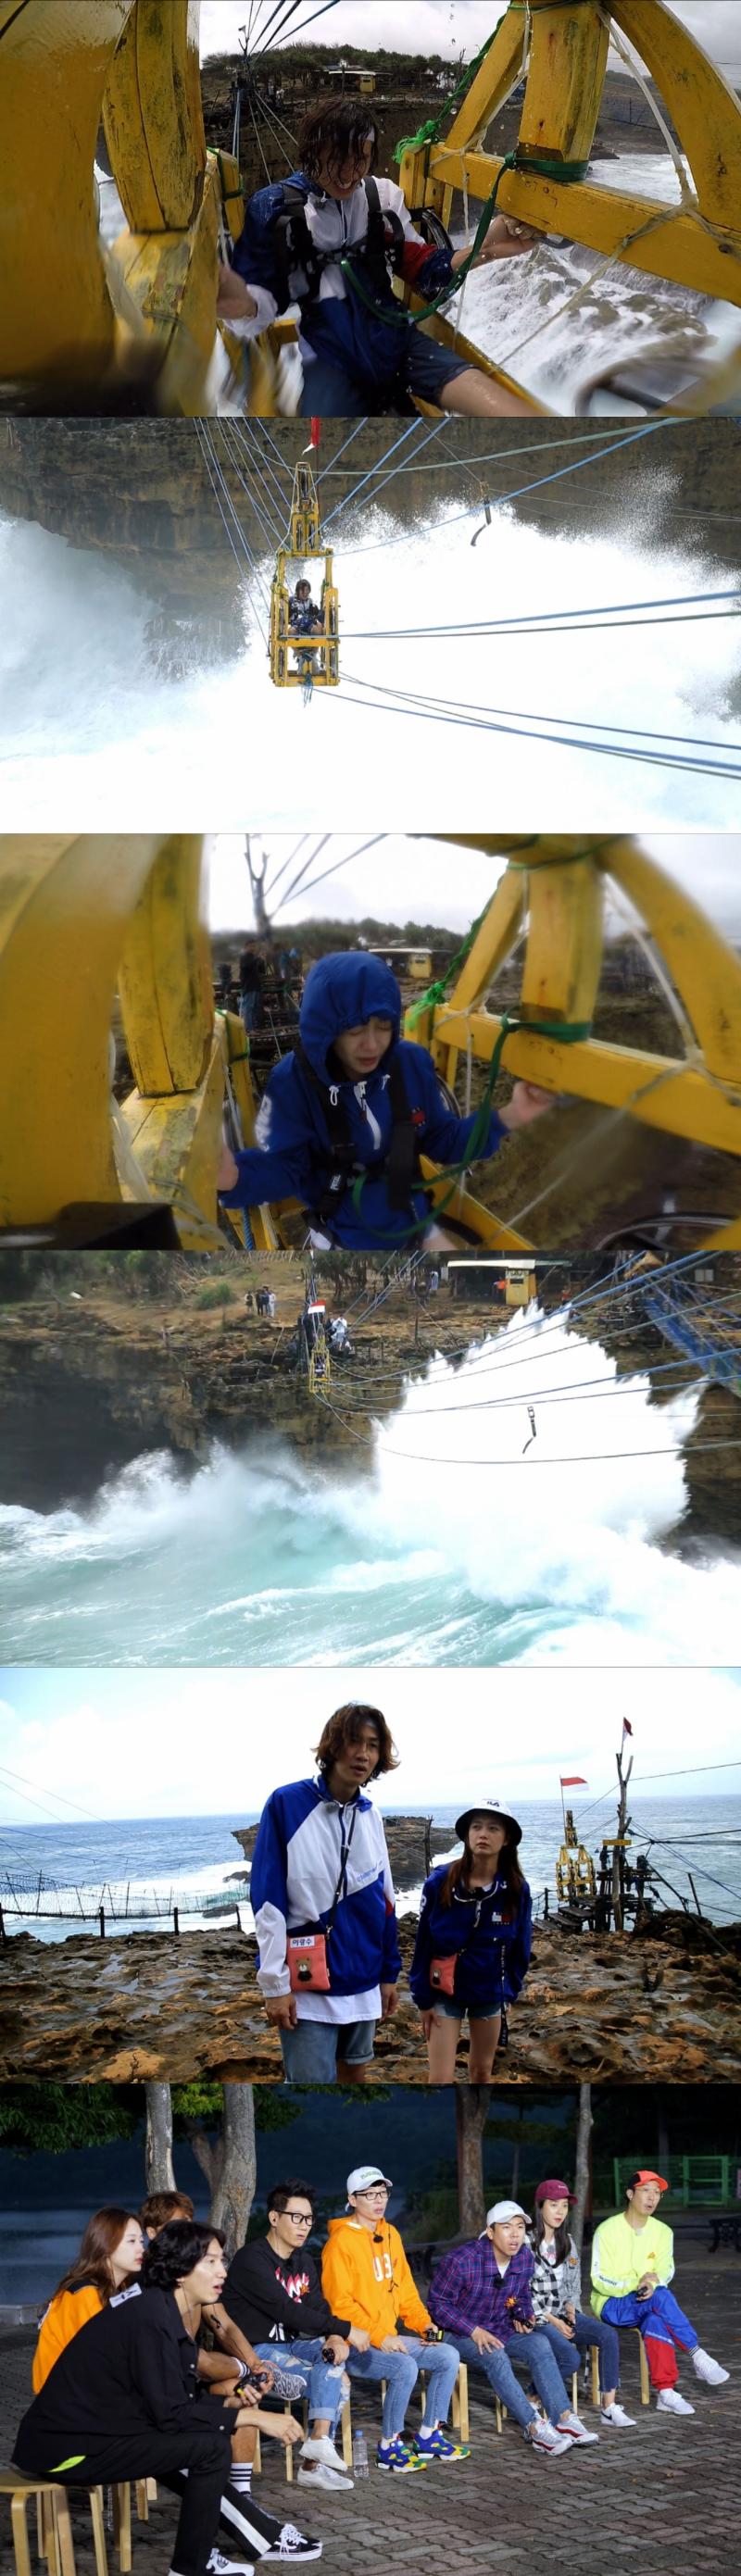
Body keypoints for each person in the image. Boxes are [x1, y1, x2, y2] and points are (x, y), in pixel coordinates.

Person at [14, 2220, 322, 2572]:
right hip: (68, 2449)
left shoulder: (157, 2308)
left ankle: (226, 2548)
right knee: (208, 2447)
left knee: (205, 2439)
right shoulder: (150, 2317)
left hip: (101, 2432)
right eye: (211, 2262)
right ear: (179, 2273)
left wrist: (233, 2404)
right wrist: (255, 2416)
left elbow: (174, 2400)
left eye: (221, 2261)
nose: (222, 2271)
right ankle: (195, 2565)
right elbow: (171, 2414)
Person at [216, 97, 538, 418]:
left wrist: (484, 248)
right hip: (332, 361)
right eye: (335, 158)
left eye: (360, 159)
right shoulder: (276, 209)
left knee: (514, 414)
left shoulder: (377, 198)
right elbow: (265, 298)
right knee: (325, 461)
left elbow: (420, 265)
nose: (347, 172)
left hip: (400, 344)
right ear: (311, 152)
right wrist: (243, 304)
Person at [217, 951, 554, 1252]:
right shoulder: (293, 1083)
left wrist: (511, 1115)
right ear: (327, 1031)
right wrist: (236, 1177)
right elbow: (285, 1168)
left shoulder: (410, 1063)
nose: (371, 1045)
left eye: (383, 1027)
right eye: (355, 1031)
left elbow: (442, 1139)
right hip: (345, 1237)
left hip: (416, 1221)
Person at [250, 1700, 402, 2085]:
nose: (364, 1754)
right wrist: (274, 1984)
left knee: (355, 2079)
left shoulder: (372, 1815)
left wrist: (389, 1975)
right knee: (309, 2088)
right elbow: (268, 1900)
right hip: (307, 1985)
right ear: (334, 1745)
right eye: (355, 1741)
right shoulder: (286, 1803)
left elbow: (385, 1901)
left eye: (373, 1745)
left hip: (364, 1978)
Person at [222, 2178, 365, 2493]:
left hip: (293, 2344)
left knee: (334, 2360)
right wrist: (345, 2328)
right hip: (255, 2349)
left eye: (309, 2219)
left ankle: (316, 2446)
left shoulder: (301, 2260)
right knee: (336, 2381)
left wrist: (334, 2337)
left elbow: (316, 2306)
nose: (304, 2226)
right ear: (274, 2218)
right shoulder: (252, 2260)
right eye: (296, 2218)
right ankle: (313, 2464)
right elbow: (286, 2309)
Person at [321, 2167, 468, 2472]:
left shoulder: (390, 2234)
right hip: (356, 2344)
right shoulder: (339, 2244)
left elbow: (405, 2291)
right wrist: (378, 2335)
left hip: (388, 2338)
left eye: (383, 2193)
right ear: (352, 2199)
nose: (379, 2200)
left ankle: (428, 2435)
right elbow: (341, 2306)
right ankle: (389, 2444)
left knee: (447, 2354)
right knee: (405, 2366)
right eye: (370, 2194)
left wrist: (423, 2323)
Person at [429, 2200, 598, 2457]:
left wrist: (524, 2315)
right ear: (490, 2231)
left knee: (540, 2343)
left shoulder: (523, 2258)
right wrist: (473, 2330)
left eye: (520, 2227)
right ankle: (534, 2427)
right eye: (506, 2227)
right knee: (496, 2355)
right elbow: (437, 2305)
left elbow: (519, 2297)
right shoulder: (461, 2261)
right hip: (456, 2333)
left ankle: (563, 2418)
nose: (515, 2234)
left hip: (498, 2326)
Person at [409, 1800, 532, 2083]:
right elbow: (423, 1944)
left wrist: (509, 1991)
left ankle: (476, 2126)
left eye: (492, 1828)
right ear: (466, 1835)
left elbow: (521, 1947)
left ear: (507, 1838)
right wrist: (422, 1999)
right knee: (439, 2078)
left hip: (489, 1991)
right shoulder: (440, 1882)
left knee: (481, 2072)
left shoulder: (516, 1889)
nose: (483, 1834)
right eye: (476, 1827)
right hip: (443, 1991)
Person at [591, 2171, 731, 2416]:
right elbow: (598, 2278)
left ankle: (665, 2393)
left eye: (657, 2192)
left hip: (649, 2301)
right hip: (611, 2304)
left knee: (656, 2317)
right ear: (630, 2193)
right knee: (661, 2297)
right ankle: (697, 2354)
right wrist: (636, 2285)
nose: (652, 2197)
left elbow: (666, 2270)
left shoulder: (663, 2231)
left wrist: (653, 2284)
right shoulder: (607, 2230)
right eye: (646, 2190)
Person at [527, 2181, 634, 2428]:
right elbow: (521, 2291)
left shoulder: (568, 2242)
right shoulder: (526, 2242)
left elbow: (573, 2286)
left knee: (607, 2334)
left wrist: (571, 2310)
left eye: (564, 2206)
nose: (560, 2211)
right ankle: (532, 2396)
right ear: (540, 2206)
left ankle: (608, 2407)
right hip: (537, 2317)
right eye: (553, 2205)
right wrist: (553, 2321)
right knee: (570, 2358)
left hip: (563, 2314)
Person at [31, 2208, 144, 2392]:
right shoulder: (85, 2294)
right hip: (63, 2398)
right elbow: (103, 2357)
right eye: (131, 2241)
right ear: (106, 2245)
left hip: (80, 2391)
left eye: (141, 2240)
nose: (141, 2248)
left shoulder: (115, 2288)